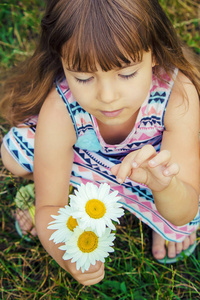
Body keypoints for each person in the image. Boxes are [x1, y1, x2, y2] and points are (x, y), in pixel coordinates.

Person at [0, 0, 200, 286]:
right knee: (14, 156)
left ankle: (155, 198)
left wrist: (164, 185)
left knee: (179, 213)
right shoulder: (61, 109)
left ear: (154, 53)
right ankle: (60, 183)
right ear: (61, 62)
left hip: (151, 169)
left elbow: (186, 209)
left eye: (127, 73)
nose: (107, 96)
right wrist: (66, 253)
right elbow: (49, 207)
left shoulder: (177, 95)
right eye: (83, 77)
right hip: (86, 160)